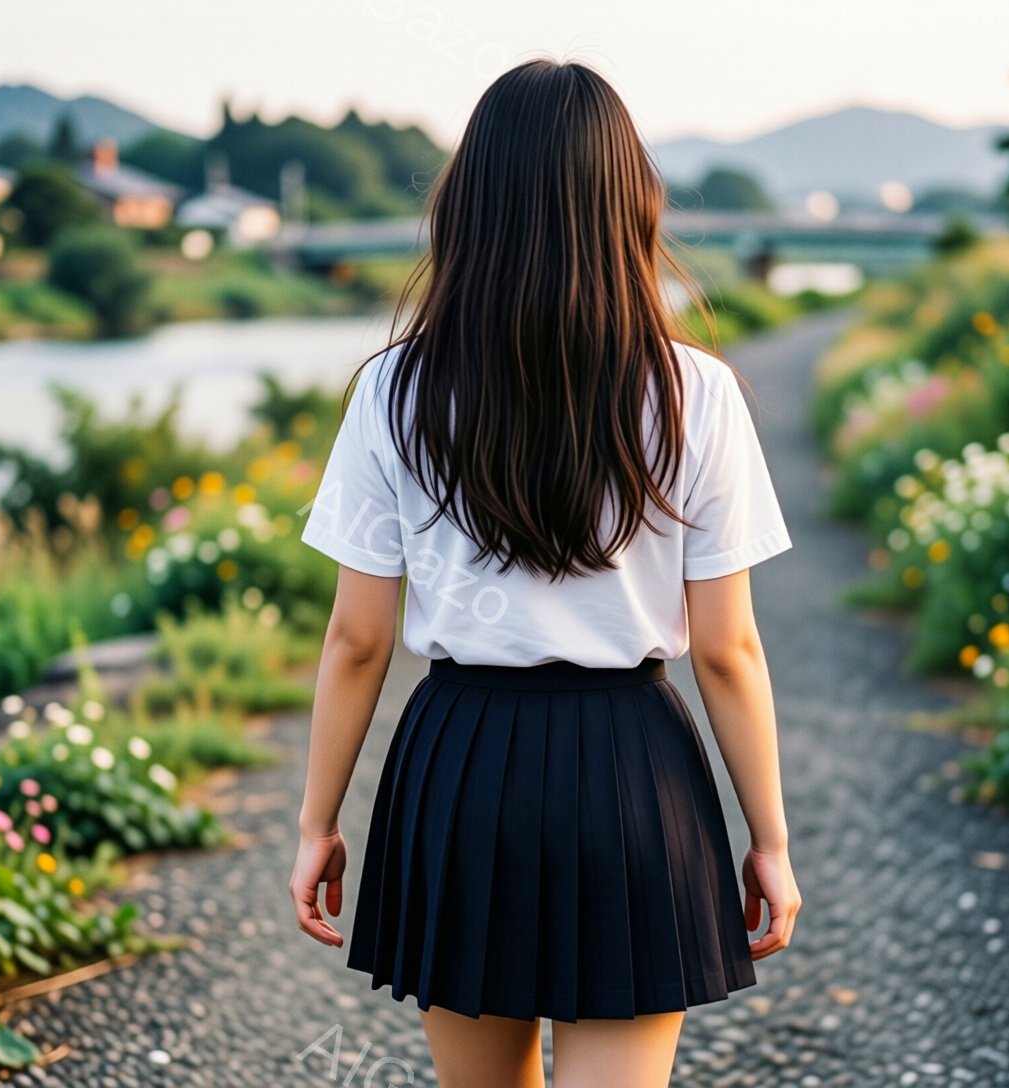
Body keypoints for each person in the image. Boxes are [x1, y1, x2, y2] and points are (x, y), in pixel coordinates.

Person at [289, 58, 798, 1088]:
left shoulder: (395, 388)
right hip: (633, 773)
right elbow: (730, 650)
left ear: (466, 204)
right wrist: (770, 840)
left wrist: (317, 820)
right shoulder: (697, 392)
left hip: (459, 767)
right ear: (632, 204)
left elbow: (356, 641)